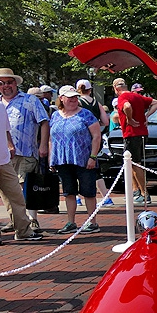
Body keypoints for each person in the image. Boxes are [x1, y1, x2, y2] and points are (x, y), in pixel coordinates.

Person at [0, 76, 44, 246]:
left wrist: (10, 145)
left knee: (17, 196)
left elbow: (6, 130)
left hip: (4, 161)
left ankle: (23, 231)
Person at [49, 86, 103, 234]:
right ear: (61, 98)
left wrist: (93, 157)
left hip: (84, 159)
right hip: (63, 160)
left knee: (88, 191)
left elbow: (96, 136)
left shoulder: (86, 114)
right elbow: (51, 139)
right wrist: (51, 159)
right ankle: (70, 222)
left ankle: (93, 222)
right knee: (69, 192)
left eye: (75, 97)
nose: (73, 99)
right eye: (69, 97)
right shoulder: (55, 116)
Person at [114, 77, 157, 205]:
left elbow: (127, 106)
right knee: (131, 163)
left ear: (116, 88)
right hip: (141, 133)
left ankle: (145, 193)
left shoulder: (123, 97)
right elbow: (156, 102)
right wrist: (146, 115)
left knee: (135, 163)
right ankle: (136, 191)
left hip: (132, 134)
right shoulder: (137, 97)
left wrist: (129, 118)